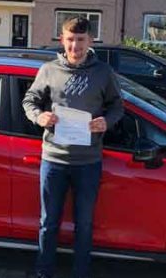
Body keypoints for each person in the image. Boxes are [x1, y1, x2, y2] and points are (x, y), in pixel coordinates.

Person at [22, 17, 124, 278]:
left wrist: (107, 121)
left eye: (80, 40)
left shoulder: (103, 72)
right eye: (70, 39)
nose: (75, 45)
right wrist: (39, 117)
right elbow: (30, 100)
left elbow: (117, 106)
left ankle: (81, 273)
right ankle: (44, 273)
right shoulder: (48, 70)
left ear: (90, 40)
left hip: (88, 162)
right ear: (62, 40)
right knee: (48, 223)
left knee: (85, 225)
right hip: (54, 160)